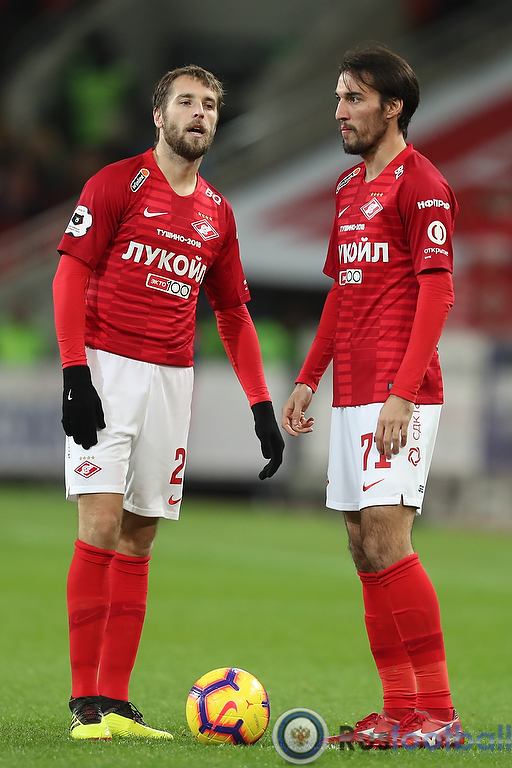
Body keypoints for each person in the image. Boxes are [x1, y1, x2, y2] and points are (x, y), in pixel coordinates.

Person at [53, 64, 284, 741]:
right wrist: (74, 374)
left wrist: (260, 405)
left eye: (209, 104)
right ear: (159, 115)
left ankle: (116, 702)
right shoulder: (116, 184)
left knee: (140, 534)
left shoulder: (218, 212)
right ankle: (84, 701)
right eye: (186, 102)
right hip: (107, 367)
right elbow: (69, 273)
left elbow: (233, 314)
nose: (199, 113)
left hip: (172, 380)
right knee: (100, 523)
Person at [282, 43, 461, 749]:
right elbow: (342, 291)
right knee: (363, 546)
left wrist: (403, 393)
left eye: (353, 98)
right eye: (338, 97)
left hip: (397, 393)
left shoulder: (423, 184)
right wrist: (308, 377)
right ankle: (397, 710)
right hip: (352, 390)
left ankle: (439, 714)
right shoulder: (347, 188)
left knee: (389, 537)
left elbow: (438, 292)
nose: (340, 111)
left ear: (393, 107)